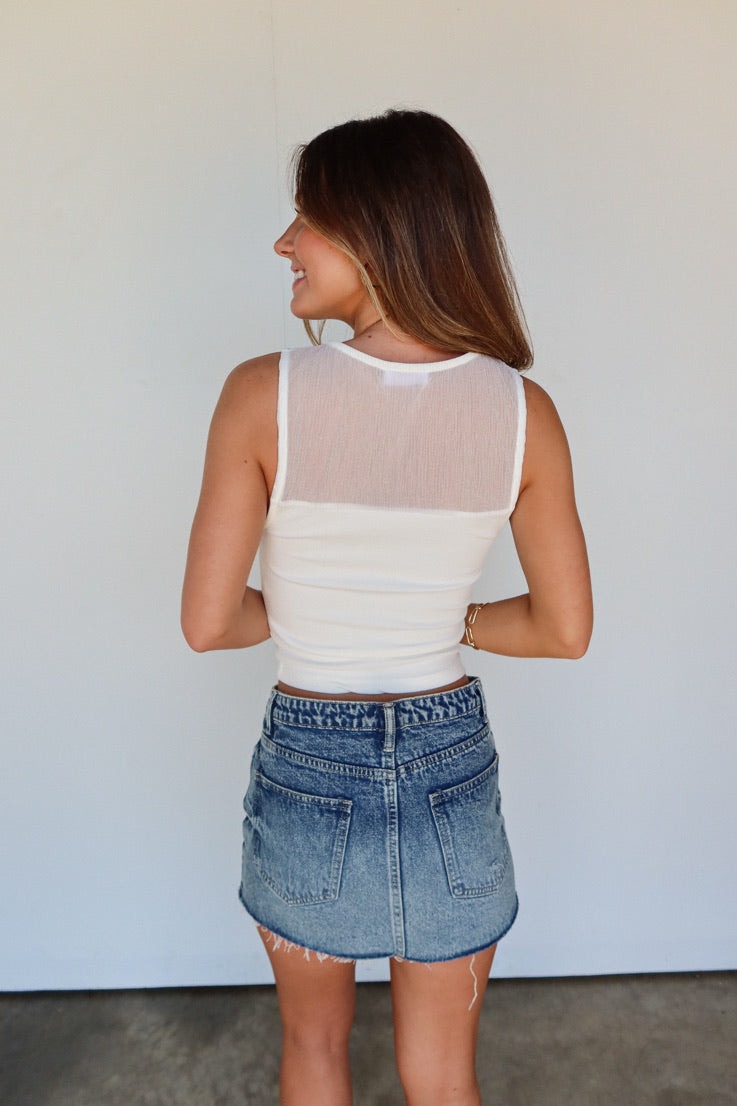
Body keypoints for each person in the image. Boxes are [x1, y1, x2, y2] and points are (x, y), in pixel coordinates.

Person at [181, 109, 592, 1106]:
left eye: (305, 219)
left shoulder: (261, 395)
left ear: (374, 232)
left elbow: (208, 621)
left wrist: (306, 613)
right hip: (450, 760)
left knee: (315, 1048)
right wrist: (446, 620)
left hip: (306, 758)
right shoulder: (522, 413)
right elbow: (561, 629)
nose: (284, 243)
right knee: (442, 1073)